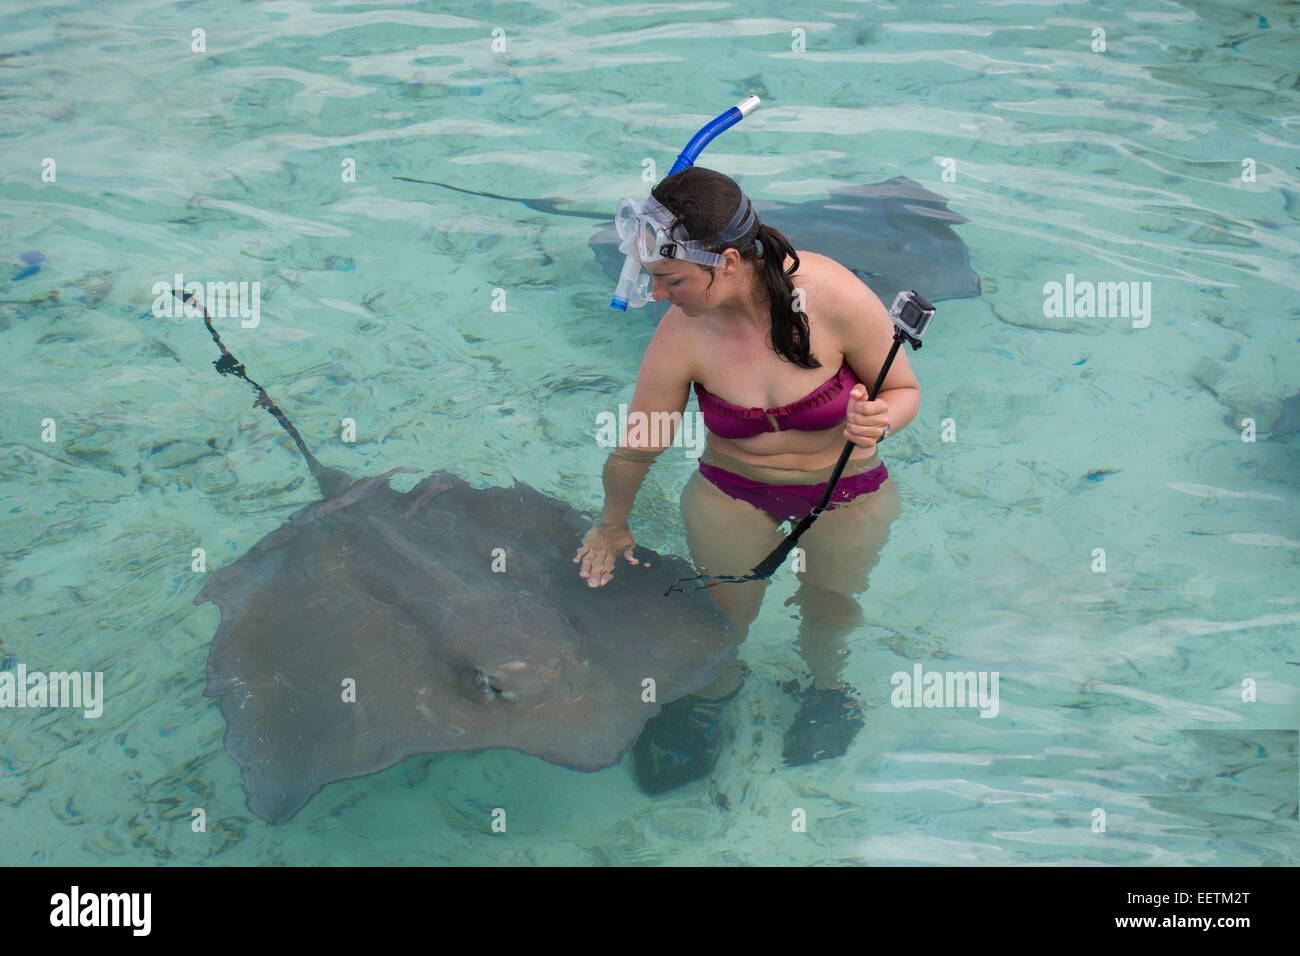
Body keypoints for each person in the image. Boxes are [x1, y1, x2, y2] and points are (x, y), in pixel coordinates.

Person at [573, 166, 919, 792]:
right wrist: (611, 521)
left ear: (727, 261)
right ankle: (713, 696)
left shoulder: (833, 294)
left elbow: (903, 388)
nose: (655, 296)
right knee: (724, 612)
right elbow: (639, 445)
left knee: (830, 604)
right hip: (734, 489)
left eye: (670, 279)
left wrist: (881, 422)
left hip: (847, 488)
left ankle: (827, 687)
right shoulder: (680, 334)